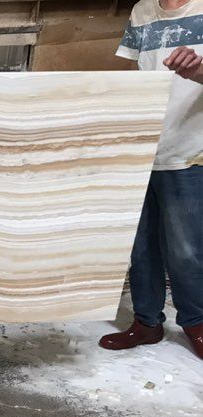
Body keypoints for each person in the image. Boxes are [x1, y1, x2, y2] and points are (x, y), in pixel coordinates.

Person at [99, 0, 203, 359]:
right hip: (143, 152)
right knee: (140, 247)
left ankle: (196, 323)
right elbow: (136, 79)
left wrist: (198, 71)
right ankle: (146, 322)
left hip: (191, 152)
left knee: (186, 250)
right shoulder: (142, 11)